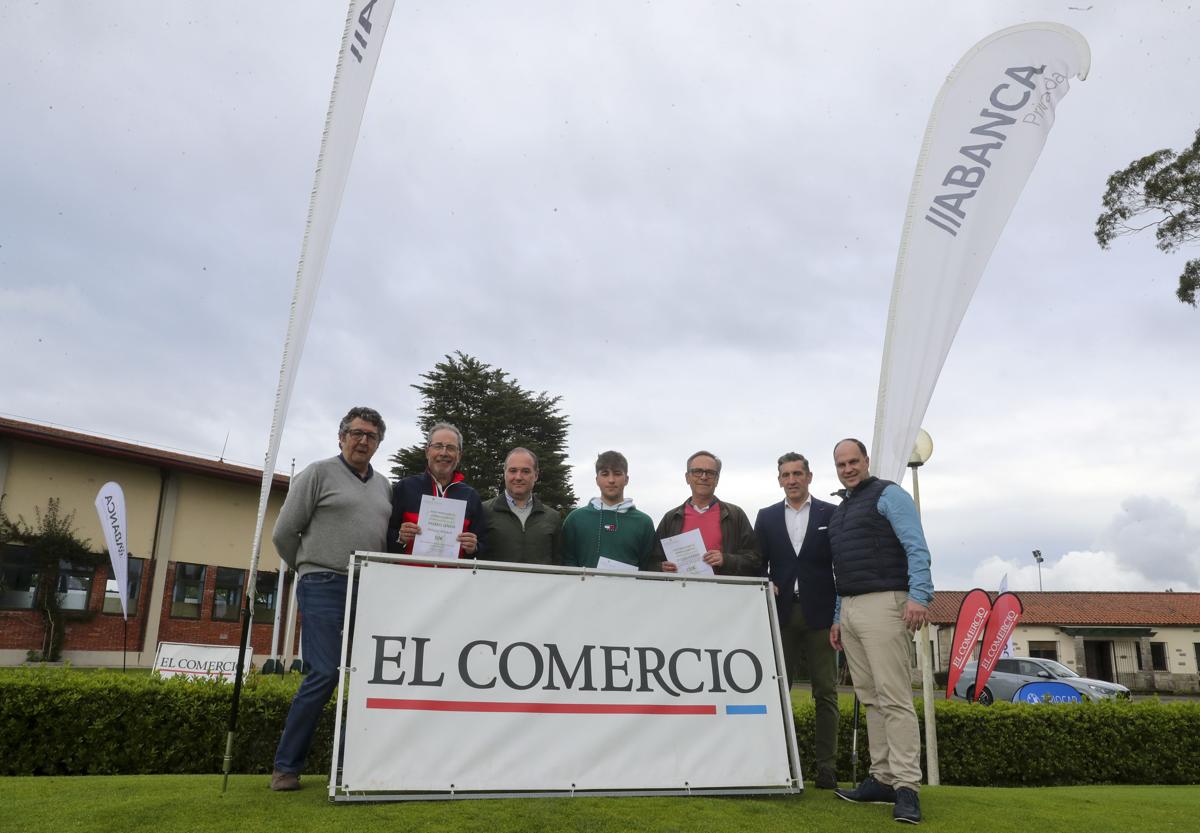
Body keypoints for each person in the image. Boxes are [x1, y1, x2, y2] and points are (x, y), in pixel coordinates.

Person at [269, 406, 392, 791]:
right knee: (324, 672)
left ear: (378, 443)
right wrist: (309, 568)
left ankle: (348, 766)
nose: (362, 440)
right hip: (322, 583)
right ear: (341, 437)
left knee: (368, 680)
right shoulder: (317, 474)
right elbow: (284, 534)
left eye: (371, 436)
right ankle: (286, 767)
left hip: (368, 588)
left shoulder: (384, 486)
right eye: (356, 433)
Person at [827, 438, 933, 824]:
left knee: (894, 698)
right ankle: (883, 778)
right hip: (852, 609)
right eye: (841, 463)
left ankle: (907, 787)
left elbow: (915, 546)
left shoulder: (890, 495)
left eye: (854, 461)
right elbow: (842, 571)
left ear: (866, 460)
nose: (848, 468)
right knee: (870, 698)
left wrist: (919, 595)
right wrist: (839, 616)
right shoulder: (842, 511)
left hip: (886, 603)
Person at [754, 452, 839, 789]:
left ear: (809, 477)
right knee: (778, 691)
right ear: (779, 480)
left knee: (827, 693)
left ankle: (826, 768)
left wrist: (839, 615)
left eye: (797, 473)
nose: (792, 480)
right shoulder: (767, 517)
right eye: (786, 475)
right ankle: (779, 762)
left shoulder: (830, 514)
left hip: (821, 614)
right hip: (783, 613)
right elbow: (756, 562)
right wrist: (766, 578)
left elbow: (841, 564)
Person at [653, 450, 759, 576]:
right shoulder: (671, 518)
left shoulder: (735, 515)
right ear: (687, 478)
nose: (703, 477)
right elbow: (650, 560)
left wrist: (726, 560)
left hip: (724, 592)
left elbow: (756, 560)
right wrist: (661, 567)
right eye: (697, 471)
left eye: (710, 473)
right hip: (680, 592)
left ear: (717, 480)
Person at [388, 422, 486, 558]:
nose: (444, 453)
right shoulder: (405, 488)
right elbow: (384, 536)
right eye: (438, 446)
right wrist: (399, 537)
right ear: (427, 451)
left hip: (455, 578)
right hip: (408, 575)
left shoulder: (471, 496)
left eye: (451, 448)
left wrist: (474, 547)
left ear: (459, 455)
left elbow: (484, 546)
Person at [562, 450, 657, 570]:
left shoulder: (643, 522)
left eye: (617, 474)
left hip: (630, 589)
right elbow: (567, 561)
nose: (611, 480)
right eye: (605, 474)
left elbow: (648, 567)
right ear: (597, 479)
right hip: (583, 588)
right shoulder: (575, 519)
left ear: (626, 479)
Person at [481, 447, 562, 565]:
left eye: (525, 471)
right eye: (513, 470)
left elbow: (558, 564)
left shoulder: (552, 517)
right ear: (505, 473)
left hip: (540, 584)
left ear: (536, 475)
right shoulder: (483, 511)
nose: (518, 477)